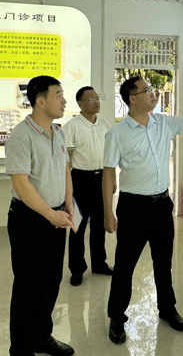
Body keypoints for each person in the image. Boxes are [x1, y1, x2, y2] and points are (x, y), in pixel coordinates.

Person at [103, 74, 183, 344]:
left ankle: (167, 309)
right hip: (133, 207)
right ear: (132, 98)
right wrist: (108, 212)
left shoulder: (162, 122)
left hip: (162, 205)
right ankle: (116, 317)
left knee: (163, 263)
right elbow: (108, 174)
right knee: (125, 266)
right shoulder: (117, 133)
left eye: (151, 89)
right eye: (146, 90)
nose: (152, 93)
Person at [5, 75, 76, 356]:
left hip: (56, 216)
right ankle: (20, 349)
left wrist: (68, 204)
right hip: (29, 220)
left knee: (51, 281)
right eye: (58, 95)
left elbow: (66, 169)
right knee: (28, 287)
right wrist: (50, 214)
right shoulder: (21, 136)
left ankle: (41, 337)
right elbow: (21, 183)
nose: (64, 100)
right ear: (40, 100)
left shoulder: (58, 132)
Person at [63, 86, 114, 287]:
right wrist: (68, 188)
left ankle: (99, 263)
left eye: (97, 98)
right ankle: (77, 269)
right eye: (91, 98)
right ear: (80, 103)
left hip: (102, 179)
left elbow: (110, 156)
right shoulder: (72, 126)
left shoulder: (104, 125)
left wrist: (112, 180)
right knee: (77, 227)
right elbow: (66, 160)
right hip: (79, 180)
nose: (96, 101)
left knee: (99, 225)